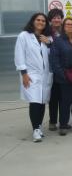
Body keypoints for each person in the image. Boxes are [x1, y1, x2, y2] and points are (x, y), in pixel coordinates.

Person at [14, 13, 53, 142]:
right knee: (35, 102)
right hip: (31, 74)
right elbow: (19, 55)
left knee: (42, 101)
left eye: (43, 20)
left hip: (45, 75)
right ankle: (35, 129)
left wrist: (49, 44)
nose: (41, 22)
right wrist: (24, 74)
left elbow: (53, 54)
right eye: (38, 20)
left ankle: (39, 125)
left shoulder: (47, 38)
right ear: (33, 21)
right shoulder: (24, 36)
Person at [47, 8, 63, 131]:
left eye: (59, 17)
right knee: (53, 98)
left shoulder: (65, 32)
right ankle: (52, 121)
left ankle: (63, 121)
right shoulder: (45, 32)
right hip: (51, 70)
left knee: (64, 97)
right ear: (50, 20)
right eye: (54, 17)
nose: (57, 20)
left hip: (64, 70)